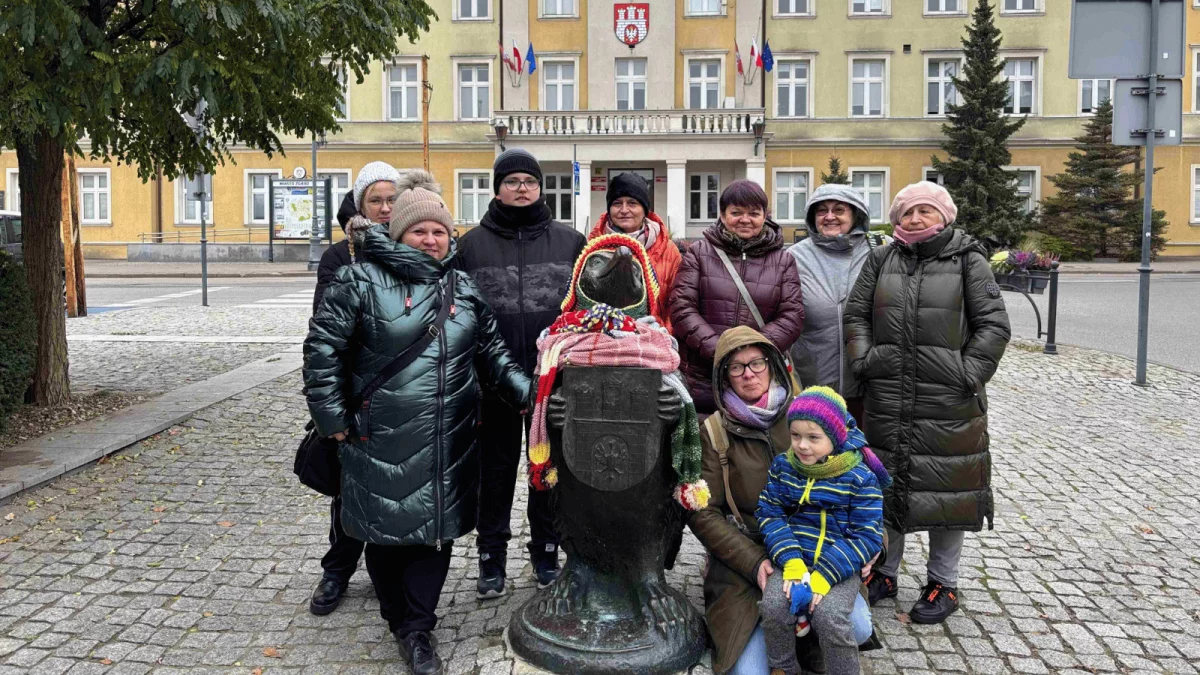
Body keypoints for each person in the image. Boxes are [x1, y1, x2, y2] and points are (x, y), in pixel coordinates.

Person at [304, 170, 530, 674]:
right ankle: (398, 619)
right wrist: (330, 419)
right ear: (397, 233)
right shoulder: (358, 279)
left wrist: (534, 397)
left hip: (448, 440)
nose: (431, 239)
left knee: (435, 532)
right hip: (375, 435)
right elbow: (323, 352)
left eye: (439, 231)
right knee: (384, 533)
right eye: (419, 230)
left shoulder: (463, 288)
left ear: (451, 236)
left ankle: (418, 629)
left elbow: (494, 356)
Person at [844, 181, 1010, 624]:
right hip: (889, 393)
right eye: (907, 212)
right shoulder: (881, 259)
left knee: (947, 491)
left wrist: (967, 373)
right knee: (886, 483)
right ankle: (884, 572)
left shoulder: (967, 259)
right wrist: (864, 360)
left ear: (944, 216)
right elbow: (857, 314)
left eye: (925, 211)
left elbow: (993, 326)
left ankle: (943, 583)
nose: (915, 219)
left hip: (949, 400)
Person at [456, 148, 586, 598]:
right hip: (491, 385)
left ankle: (546, 550)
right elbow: (459, 316)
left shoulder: (571, 242)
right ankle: (491, 558)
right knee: (493, 476)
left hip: (553, 384)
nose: (522, 188)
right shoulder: (469, 246)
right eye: (512, 181)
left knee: (546, 472)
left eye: (529, 181)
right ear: (498, 188)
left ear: (540, 187)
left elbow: (584, 312)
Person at [687, 325, 820, 675]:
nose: (748, 374)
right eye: (736, 367)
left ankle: (804, 639)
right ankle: (777, 633)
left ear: (773, 364)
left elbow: (859, 481)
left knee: (858, 626)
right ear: (724, 377)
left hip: (813, 553)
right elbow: (704, 513)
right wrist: (753, 561)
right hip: (746, 562)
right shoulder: (713, 431)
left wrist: (873, 545)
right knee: (748, 671)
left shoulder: (809, 413)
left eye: (757, 363)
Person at [308, 161, 400, 615]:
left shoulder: (413, 248)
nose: (385, 209)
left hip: (402, 392)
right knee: (349, 487)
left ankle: (393, 576)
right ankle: (337, 570)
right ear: (361, 204)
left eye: (392, 200)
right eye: (376, 201)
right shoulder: (340, 256)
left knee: (396, 485)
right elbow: (325, 334)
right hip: (356, 391)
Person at [755, 387, 891, 675]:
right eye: (795, 435)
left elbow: (867, 535)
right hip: (793, 560)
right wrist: (790, 560)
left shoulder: (860, 477)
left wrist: (826, 574)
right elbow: (770, 513)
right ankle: (783, 667)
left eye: (813, 437)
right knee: (774, 605)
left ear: (836, 435)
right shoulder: (784, 466)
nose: (802, 445)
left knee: (830, 617)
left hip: (838, 567)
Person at [670, 180, 804, 415]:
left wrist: (751, 354)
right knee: (709, 443)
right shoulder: (699, 253)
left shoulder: (783, 261)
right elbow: (682, 308)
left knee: (756, 445)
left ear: (765, 215)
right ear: (722, 215)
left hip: (759, 375)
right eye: (736, 212)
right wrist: (720, 349)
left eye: (754, 213)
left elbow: (792, 315)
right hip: (703, 376)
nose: (745, 219)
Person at [787, 184, 887, 423]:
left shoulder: (883, 250)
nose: (829, 216)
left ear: (855, 214)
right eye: (821, 210)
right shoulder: (794, 256)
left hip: (871, 384)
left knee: (867, 453)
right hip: (814, 382)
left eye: (839, 209)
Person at [587, 172, 681, 329]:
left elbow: (676, 304)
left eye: (632, 203)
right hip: (604, 338)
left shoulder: (668, 250)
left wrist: (664, 337)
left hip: (654, 340)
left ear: (644, 210)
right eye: (617, 203)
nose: (624, 210)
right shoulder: (593, 246)